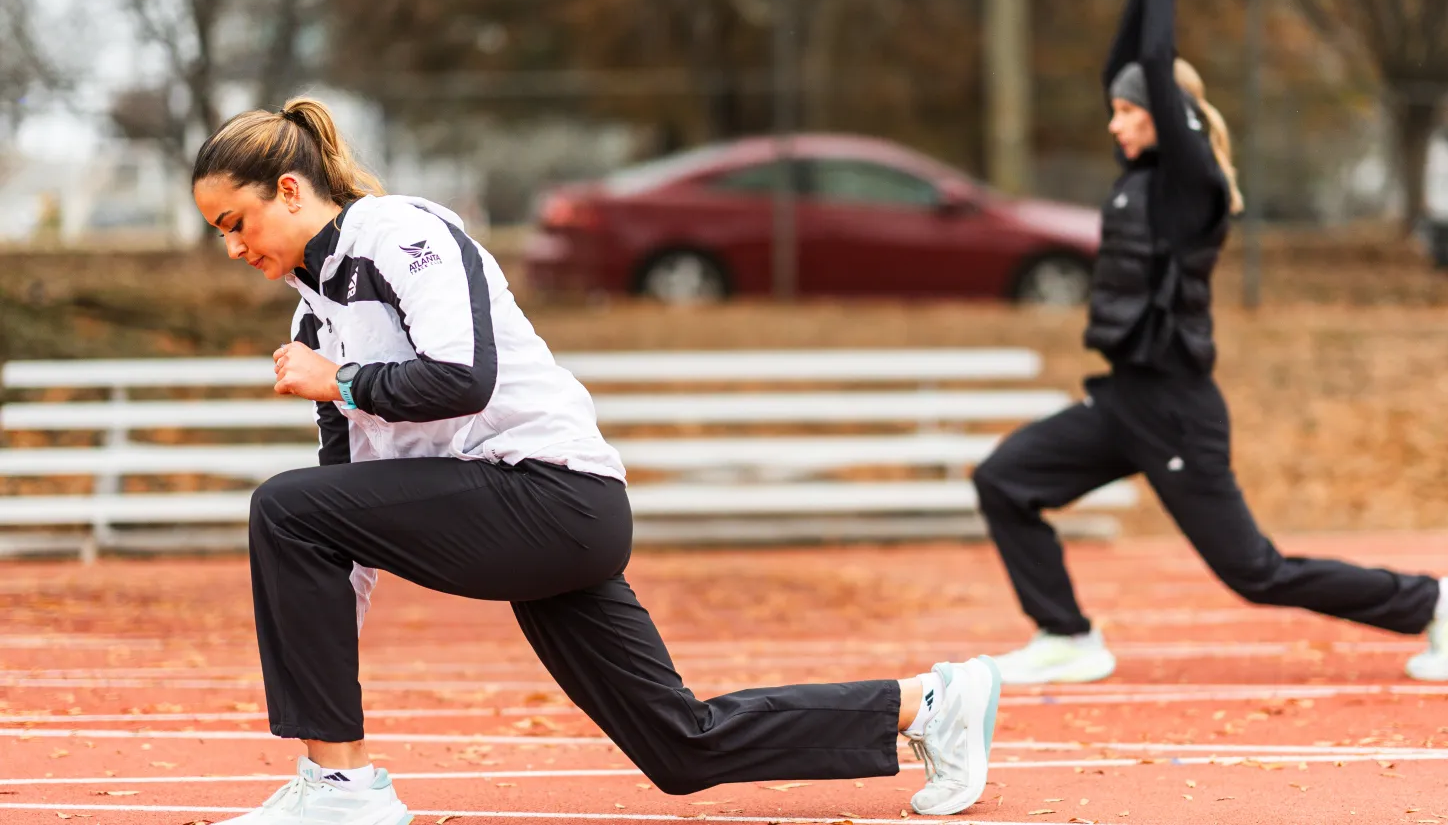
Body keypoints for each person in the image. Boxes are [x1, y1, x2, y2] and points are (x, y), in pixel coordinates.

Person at [191, 97, 1001, 825]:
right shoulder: (314, 322)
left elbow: (463, 376)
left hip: (553, 494)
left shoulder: (401, 231)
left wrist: (342, 381)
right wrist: (325, 641)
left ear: (291, 190)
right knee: (681, 750)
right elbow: (345, 508)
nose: (231, 248)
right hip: (522, 518)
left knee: (282, 506)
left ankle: (342, 792)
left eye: (235, 223)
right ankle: (927, 704)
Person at [973, 0, 1448, 687]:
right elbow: (1129, 61)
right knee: (1005, 481)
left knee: (1255, 572)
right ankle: (1067, 634)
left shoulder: (1192, 185)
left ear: (1163, 113)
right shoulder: (1139, 169)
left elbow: (1151, 64)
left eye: (1129, 111)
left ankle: (1438, 601)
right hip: (1126, 400)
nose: (1114, 121)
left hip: (1176, 408)